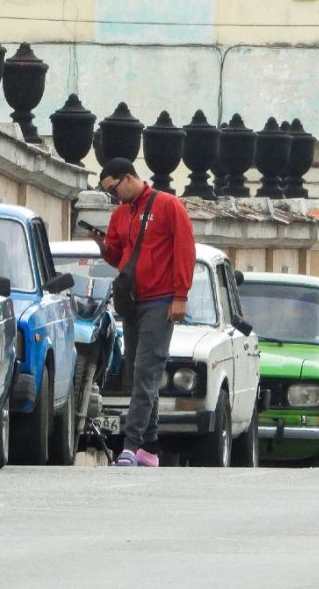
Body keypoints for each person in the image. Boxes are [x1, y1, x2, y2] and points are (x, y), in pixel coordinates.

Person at [91, 158, 195, 467]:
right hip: (132, 302)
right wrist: (103, 247)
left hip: (161, 300)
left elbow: (184, 251)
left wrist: (180, 296)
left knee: (146, 373)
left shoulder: (168, 206)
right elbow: (121, 257)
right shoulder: (121, 214)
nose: (114, 197)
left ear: (126, 178)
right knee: (137, 372)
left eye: (113, 189)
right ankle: (150, 447)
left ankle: (131, 444)